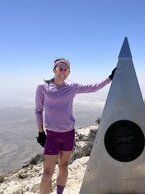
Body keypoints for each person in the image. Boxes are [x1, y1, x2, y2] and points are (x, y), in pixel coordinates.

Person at [35, 58, 116, 194]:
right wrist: (41, 133)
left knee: (64, 165)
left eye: (66, 70)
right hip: (52, 135)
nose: (63, 72)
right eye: (60, 69)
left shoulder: (72, 87)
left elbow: (93, 87)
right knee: (48, 173)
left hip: (68, 133)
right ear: (54, 69)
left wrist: (110, 78)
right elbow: (38, 110)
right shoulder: (42, 87)